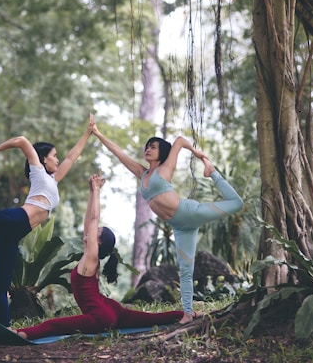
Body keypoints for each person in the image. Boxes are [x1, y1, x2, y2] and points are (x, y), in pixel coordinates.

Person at [92, 124, 244, 324]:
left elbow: (180, 141)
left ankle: (213, 173)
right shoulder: (143, 174)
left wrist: (198, 154)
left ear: (161, 152)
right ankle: (188, 313)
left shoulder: (165, 169)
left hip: (190, 212)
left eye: (153, 147)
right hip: (180, 226)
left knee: (236, 204)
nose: (148, 149)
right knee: (185, 270)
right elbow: (119, 153)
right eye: (147, 146)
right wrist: (97, 132)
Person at [15, 172, 184, 340]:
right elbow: (89, 221)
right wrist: (91, 191)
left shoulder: (91, 259)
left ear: (99, 243)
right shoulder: (89, 258)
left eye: (96, 231)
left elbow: (95, 218)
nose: (91, 230)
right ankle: (188, 314)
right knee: (150, 319)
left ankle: (22, 334)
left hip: (100, 317)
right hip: (109, 309)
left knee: (52, 325)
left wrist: (97, 190)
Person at [0, 114, 94, 327]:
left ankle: (4, 329)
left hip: (13, 234)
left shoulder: (52, 180)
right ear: (43, 159)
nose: (58, 159)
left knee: (2, 287)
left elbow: (72, 157)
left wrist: (88, 133)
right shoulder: (38, 170)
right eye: (54, 156)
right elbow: (22, 141)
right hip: (12, 220)